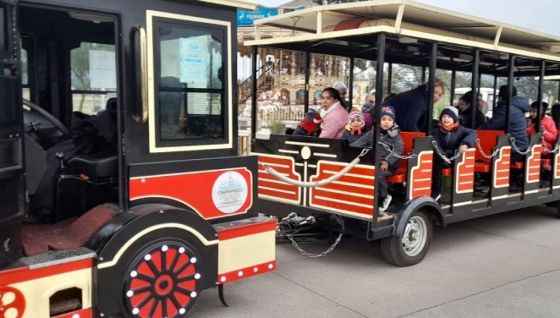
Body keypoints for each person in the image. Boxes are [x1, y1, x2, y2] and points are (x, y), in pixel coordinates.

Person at [350, 106, 403, 213]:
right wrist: (348, 147)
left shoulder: (396, 136)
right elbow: (359, 143)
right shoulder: (372, 133)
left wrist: (387, 161)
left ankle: (384, 197)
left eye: (389, 120)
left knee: (378, 175)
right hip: (373, 161)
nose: (386, 122)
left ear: (393, 122)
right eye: (383, 119)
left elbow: (398, 149)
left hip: (389, 164)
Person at [431, 106, 476, 201]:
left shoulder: (460, 129)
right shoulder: (436, 130)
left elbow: (473, 133)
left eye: (449, 117)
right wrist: (442, 155)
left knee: (461, 166)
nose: (446, 119)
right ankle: (436, 192)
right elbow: (435, 144)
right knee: (436, 166)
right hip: (441, 157)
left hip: (456, 156)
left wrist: (465, 144)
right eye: (444, 116)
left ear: (454, 118)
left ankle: (459, 193)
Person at [479, 85, 529, 162]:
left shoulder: (507, 108)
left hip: (514, 148)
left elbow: (490, 126)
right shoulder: (516, 106)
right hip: (521, 145)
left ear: (501, 96)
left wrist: (477, 129)